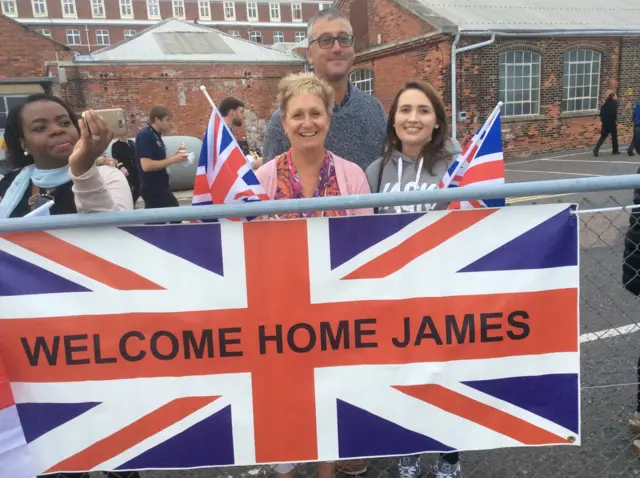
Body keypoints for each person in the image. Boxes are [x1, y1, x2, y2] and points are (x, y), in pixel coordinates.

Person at [255, 72, 372, 477]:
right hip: (279, 308)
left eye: (316, 113)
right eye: (298, 114)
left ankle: (328, 469)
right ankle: (285, 464)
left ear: (328, 118)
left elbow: (365, 246)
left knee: (330, 391)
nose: (308, 122)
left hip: (334, 307)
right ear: (283, 122)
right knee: (283, 394)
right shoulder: (263, 180)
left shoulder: (352, 175)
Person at [365, 81, 462, 478]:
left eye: (423, 110)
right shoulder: (378, 170)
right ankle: (408, 448)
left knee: (446, 374)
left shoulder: (459, 166)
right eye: (405, 110)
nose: (413, 118)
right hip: (396, 292)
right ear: (394, 120)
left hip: (445, 289)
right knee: (401, 374)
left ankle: (449, 455)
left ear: (437, 120)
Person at [262, 7, 386, 171]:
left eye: (344, 39)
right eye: (326, 40)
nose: (337, 48)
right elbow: (270, 186)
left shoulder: (374, 110)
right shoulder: (285, 122)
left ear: (353, 48)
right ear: (310, 54)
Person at [0, 94, 133, 219]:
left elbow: (118, 234)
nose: (57, 130)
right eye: (39, 128)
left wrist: (83, 171)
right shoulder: (9, 183)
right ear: (23, 144)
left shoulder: (107, 175)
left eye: (65, 123)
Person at [135, 105, 187, 209]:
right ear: (157, 120)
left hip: (160, 185)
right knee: (172, 214)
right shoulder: (146, 135)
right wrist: (172, 160)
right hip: (152, 187)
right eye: (167, 120)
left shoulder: (155, 135)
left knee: (166, 217)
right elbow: (146, 165)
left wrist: (175, 157)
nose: (170, 124)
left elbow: (159, 159)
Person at [111, 129, 140, 204]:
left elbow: (137, 153)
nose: (124, 137)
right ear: (119, 136)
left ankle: (133, 202)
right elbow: (116, 158)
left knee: (138, 186)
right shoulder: (115, 146)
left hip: (135, 168)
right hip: (126, 169)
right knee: (128, 188)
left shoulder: (131, 142)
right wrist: (122, 167)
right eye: (122, 135)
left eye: (125, 135)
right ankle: (128, 204)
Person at [594, 92, 620, 157]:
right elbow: (614, 113)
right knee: (614, 137)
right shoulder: (614, 103)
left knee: (603, 136)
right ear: (613, 97)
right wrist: (615, 120)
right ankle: (615, 151)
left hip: (605, 123)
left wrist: (603, 120)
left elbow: (601, 113)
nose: (616, 97)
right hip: (611, 122)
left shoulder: (606, 103)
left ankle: (596, 149)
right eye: (616, 96)